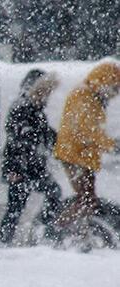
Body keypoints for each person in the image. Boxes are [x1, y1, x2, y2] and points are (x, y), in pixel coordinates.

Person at [53, 62, 120, 239]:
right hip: (75, 155)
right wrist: (112, 145)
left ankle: (80, 233)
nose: (115, 94)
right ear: (104, 82)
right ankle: (57, 229)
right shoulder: (84, 95)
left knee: (88, 200)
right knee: (86, 200)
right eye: (114, 88)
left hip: (83, 156)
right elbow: (89, 130)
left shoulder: (93, 96)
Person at [0, 69, 62, 244]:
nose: (47, 96)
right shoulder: (22, 107)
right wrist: (15, 169)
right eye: (45, 91)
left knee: (21, 204)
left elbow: (45, 135)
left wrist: (61, 142)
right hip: (20, 167)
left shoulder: (35, 109)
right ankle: (8, 239)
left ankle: (41, 228)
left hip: (31, 167)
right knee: (16, 206)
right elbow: (19, 140)